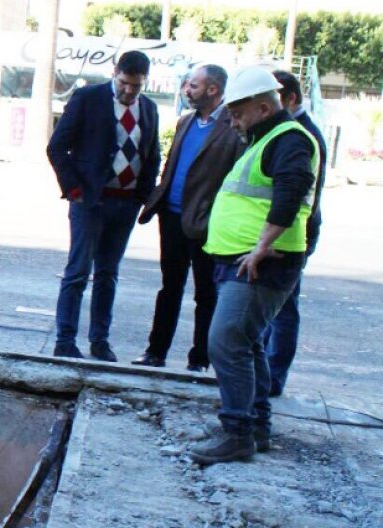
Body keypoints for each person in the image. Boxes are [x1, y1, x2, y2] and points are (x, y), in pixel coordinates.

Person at [189, 67, 318, 465]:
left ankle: (237, 432)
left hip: (259, 264)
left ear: (263, 107)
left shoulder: (290, 139)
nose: (233, 121)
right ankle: (255, 425)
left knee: (226, 341)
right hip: (244, 260)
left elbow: (290, 194)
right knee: (248, 343)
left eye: (238, 113)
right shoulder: (267, 138)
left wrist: (262, 247)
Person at [47, 50, 161, 361]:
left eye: (136, 86)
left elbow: (152, 155)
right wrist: (74, 189)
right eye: (124, 83)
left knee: (108, 274)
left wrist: (143, 196)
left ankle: (100, 341)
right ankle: (65, 340)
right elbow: (57, 147)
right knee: (78, 271)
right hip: (90, 201)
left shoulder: (148, 109)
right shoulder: (88, 99)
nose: (129, 91)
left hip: (125, 205)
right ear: (115, 72)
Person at [133, 64, 244, 372]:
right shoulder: (185, 121)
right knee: (170, 287)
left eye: (193, 85)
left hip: (206, 223)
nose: (186, 90)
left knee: (206, 294)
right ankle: (155, 352)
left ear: (213, 90)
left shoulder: (232, 126)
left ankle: (200, 359)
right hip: (171, 216)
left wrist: (215, 216)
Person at [263, 70, 328, 396]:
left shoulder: (300, 134)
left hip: (291, 236)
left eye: (272, 100)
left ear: (288, 98)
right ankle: (263, 375)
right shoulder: (293, 130)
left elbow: (297, 197)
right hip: (284, 234)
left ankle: (272, 378)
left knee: (283, 308)